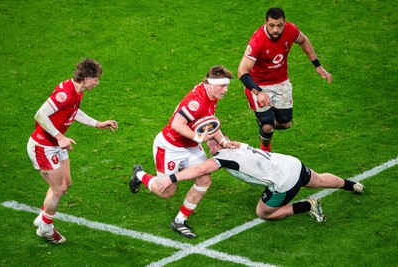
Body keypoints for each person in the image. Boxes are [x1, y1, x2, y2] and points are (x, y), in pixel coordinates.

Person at [129, 65, 239, 238]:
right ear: (211, 84)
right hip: (170, 147)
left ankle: (179, 221)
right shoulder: (196, 101)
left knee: (204, 180)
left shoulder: (211, 94)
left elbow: (208, 122)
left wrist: (224, 142)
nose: (226, 90)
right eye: (223, 86)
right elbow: (176, 124)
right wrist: (197, 137)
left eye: (227, 86)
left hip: (190, 146)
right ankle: (139, 175)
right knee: (166, 192)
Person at [158, 139, 364, 222]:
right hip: (292, 164)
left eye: (208, 143)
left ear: (214, 145)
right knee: (319, 180)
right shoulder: (237, 145)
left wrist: (172, 177)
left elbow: (199, 169)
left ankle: (307, 205)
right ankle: (352, 184)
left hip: (284, 183)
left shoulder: (221, 157)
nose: (207, 147)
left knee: (263, 213)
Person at [27, 58, 118, 244]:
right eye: (95, 79)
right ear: (85, 78)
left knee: (65, 183)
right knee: (58, 189)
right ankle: (46, 228)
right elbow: (40, 114)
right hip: (43, 146)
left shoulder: (77, 91)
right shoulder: (65, 93)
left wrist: (97, 124)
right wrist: (60, 137)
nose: (97, 82)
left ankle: (42, 218)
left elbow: (73, 111)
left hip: (55, 145)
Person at [238, 7, 333, 152]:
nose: (275, 30)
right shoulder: (258, 40)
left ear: (285, 22)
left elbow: (303, 40)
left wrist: (317, 65)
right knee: (268, 125)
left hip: (281, 82)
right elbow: (242, 71)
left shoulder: (291, 30)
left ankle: (264, 122)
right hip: (259, 85)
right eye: (271, 26)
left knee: (286, 123)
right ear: (265, 22)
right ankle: (265, 150)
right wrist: (259, 92)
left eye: (279, 25)